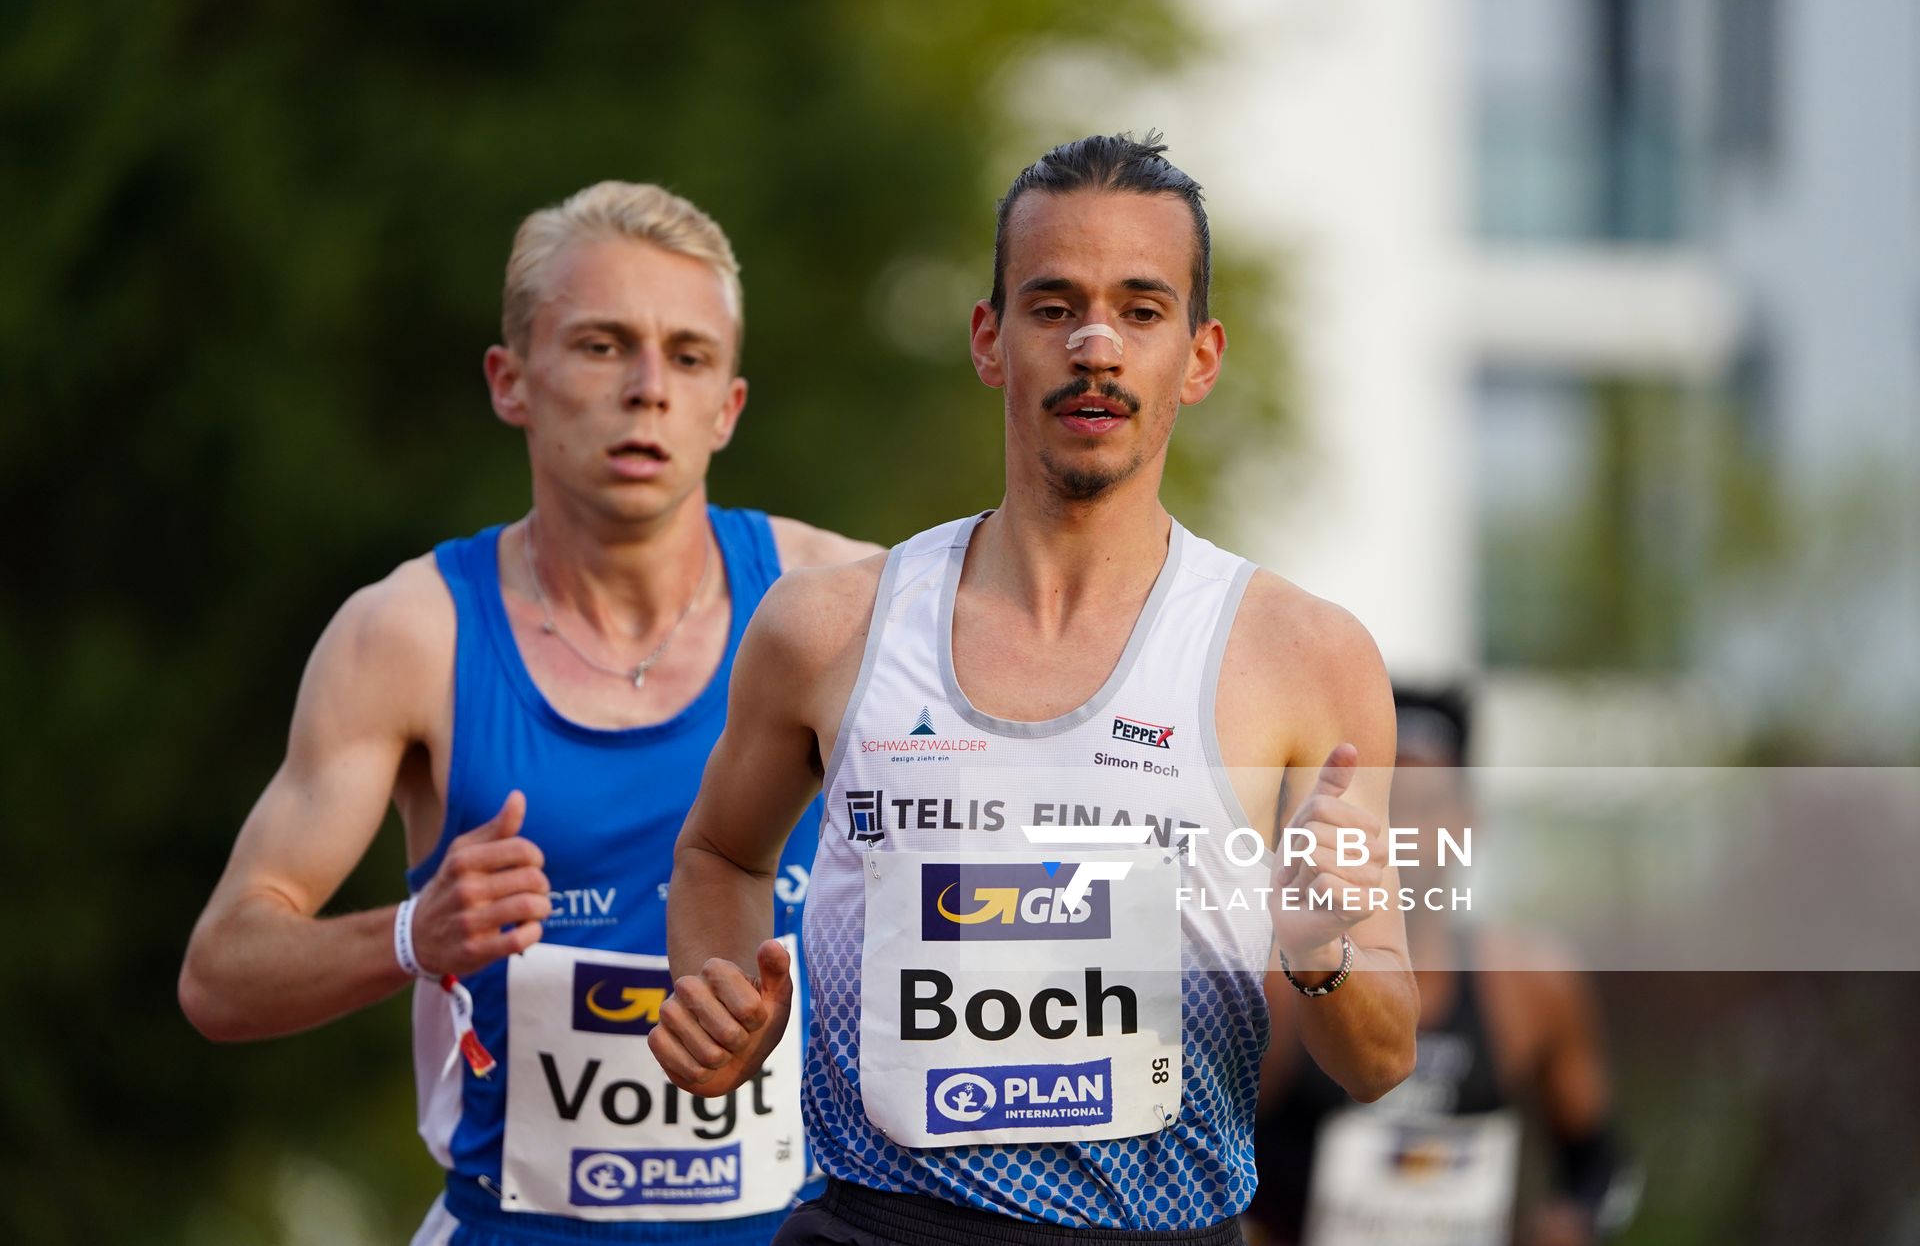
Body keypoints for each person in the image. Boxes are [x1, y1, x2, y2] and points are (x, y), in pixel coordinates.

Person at [650, 133, 1419, 1244]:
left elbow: (1384, 1057)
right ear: (989, 338)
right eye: (1053, 306)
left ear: (1199, 358)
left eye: (1141, 310)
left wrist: (1322, 952)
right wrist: (717, 1001)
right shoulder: (831, 627)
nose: (1096, 344)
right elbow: (721, 852)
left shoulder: (1305, 656)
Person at [179, 180, 880, 1246]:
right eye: (602, 346)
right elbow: (220, 975)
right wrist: (416, 932)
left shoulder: (843, 607)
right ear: (512, 381)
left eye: (688, 357)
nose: (648, 389)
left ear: (727, 406)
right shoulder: (409, 634)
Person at [1245, 685, 1641, 1246]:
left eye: (1426, 805)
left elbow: (1599, 1166)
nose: (1403, 830)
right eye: (1386, 804)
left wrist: (1569, 1224)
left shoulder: (1529, 984)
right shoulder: (1277, 980)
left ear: (1470, 822)